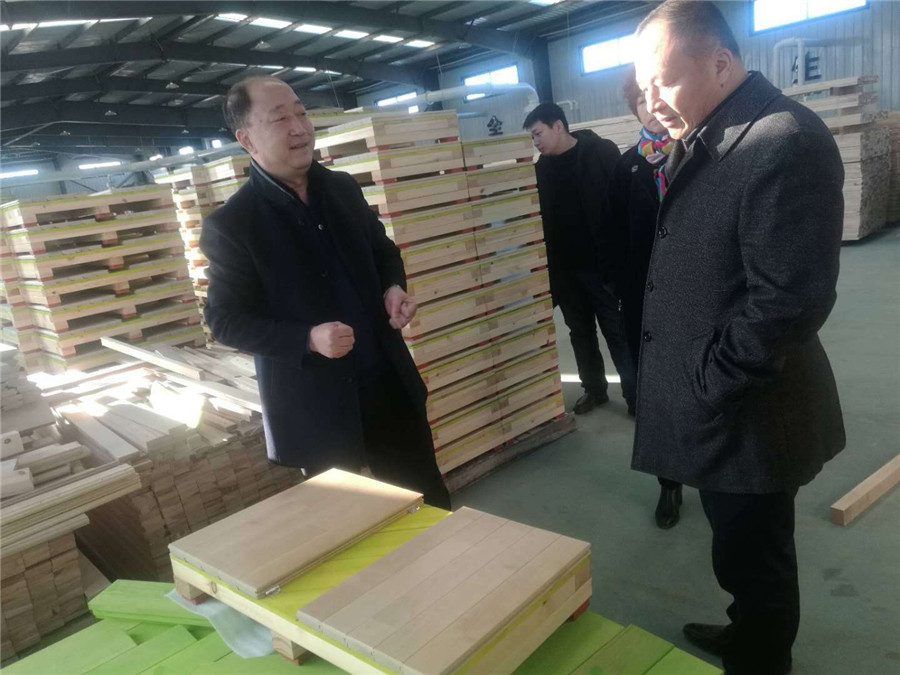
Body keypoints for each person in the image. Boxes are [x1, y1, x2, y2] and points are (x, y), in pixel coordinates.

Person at [631, 2, 845, 674]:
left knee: (758, 560)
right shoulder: (711, 132)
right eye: (643, 86)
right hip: (722, 406)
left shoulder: (783, 140)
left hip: (751, 412)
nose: (651, 101)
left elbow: (789, 300)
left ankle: (762, 658)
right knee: (736, 548)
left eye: (664, 81)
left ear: (721, 63)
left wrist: (710, 383)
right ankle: (745, 630)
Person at [200, 76, 450, 509]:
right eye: (280, 118)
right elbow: (223, 320)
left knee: (427, 505)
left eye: (301, 113)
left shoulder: (343, 189)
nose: (299, 128)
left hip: (388, 386)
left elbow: (384, 251)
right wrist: (307, 339)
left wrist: (393, 287)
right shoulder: (234, 225)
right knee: (348, 526)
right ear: (246, 139)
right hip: (316, 409)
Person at [524, 103, 637, 416]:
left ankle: (636, 395)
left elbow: (624, 203)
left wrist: (623, 258)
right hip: (566, 271)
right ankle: (594, 389)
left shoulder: (600, 152)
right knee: (580, 332)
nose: (536, 142)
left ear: (558, 126)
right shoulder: (541, 170)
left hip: (603, 267)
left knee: (617, 332)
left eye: (538, 133)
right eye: (533, 137)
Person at [609, 71, 683, 530]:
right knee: (657, 394)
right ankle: (669, 483)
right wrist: (620, 292)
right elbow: (614, 234)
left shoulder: (698, 154)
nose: (650, 107)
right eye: (640, 101)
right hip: (642, 296)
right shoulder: (626, 167)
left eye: (655, 97)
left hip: (695, 292)